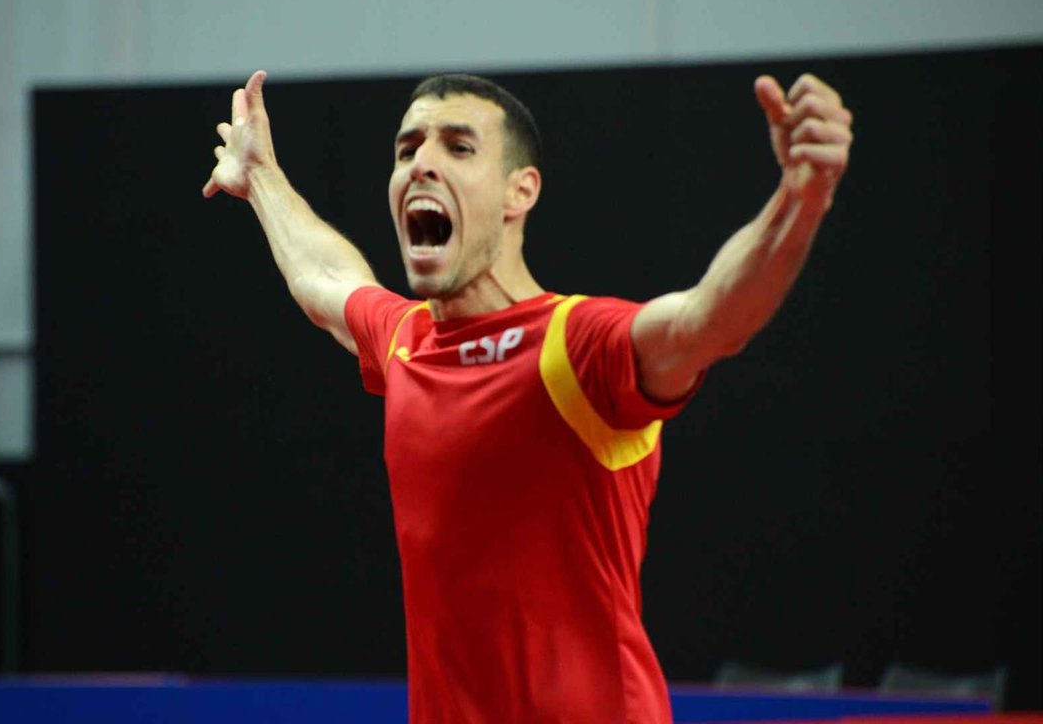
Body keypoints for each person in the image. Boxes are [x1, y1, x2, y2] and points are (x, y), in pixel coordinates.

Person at [201, 69, 853, 723]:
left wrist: (801, 199)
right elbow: (325, 278)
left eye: (458, 147)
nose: (422, 164)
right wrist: (260, 175)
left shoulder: (577, 347)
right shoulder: (406, 342)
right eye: (407, 149)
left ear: (522, 191)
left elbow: (708, 319)